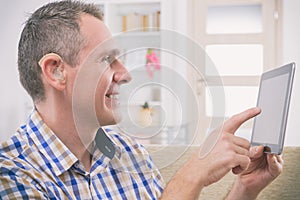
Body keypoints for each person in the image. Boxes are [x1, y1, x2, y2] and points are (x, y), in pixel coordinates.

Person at [0, 1, 283, 199]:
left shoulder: (129, 152)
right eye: (106, 60)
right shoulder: (12, 176)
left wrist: (245, 189)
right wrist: (190, 175)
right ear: (56, 71)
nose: (124, 75)